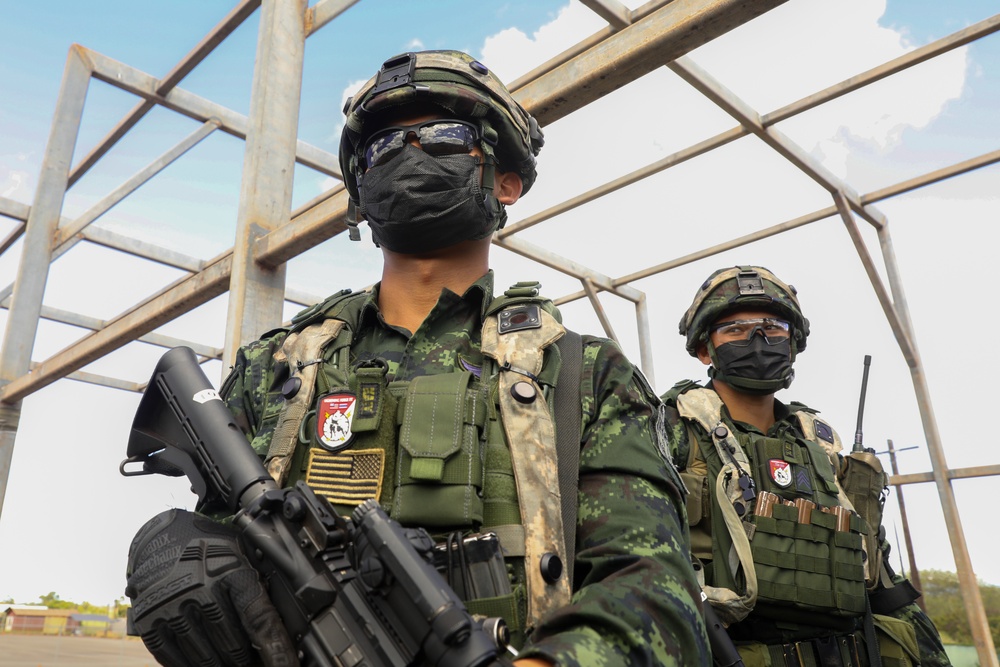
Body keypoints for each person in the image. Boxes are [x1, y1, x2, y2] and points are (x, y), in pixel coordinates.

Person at [124, 50, 710, 667]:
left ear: (505, 180)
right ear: (360, 192)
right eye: (383, 147)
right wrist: (169, 548)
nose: (409, 153)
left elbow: (657, 589)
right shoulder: (279, 367)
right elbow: (221, 537)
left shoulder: (581, 373)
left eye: (444, 136)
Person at [661, 265, 951, 667]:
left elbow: (882, 580)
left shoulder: (821, 444)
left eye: (773, 327)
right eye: (736, 329)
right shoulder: (669, 431)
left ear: (793, 343)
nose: (758, 340)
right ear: (704, 349)